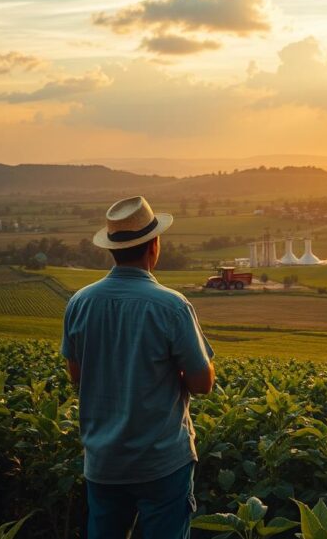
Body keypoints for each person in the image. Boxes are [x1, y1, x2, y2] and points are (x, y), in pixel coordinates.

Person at [62, 196, 215, 539]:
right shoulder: (172, 306)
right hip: (161, 461)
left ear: (112, 249)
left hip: (103, 461)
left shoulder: (80, 302)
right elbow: (203, 382)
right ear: (154, 246)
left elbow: (76, 375)